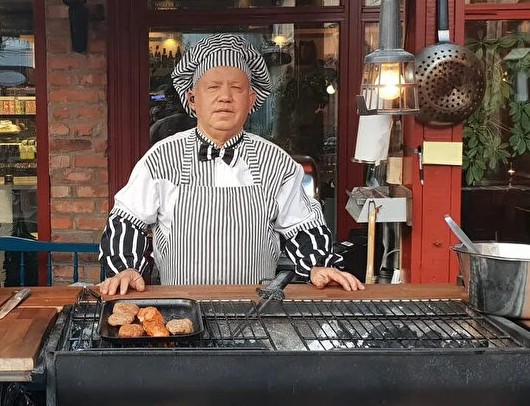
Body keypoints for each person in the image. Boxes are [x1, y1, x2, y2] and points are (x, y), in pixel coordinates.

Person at [98, 33, 363, 295]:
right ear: (193, 99)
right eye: (213, 87)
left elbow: (303, 225)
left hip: (257, 314)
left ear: (250, 101)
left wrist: (317, 266)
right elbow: (127, 219)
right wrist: (126, 268)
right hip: (180, 312)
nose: (225, 96)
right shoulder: (162, 159)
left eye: (236, 88)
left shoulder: (276, 162)